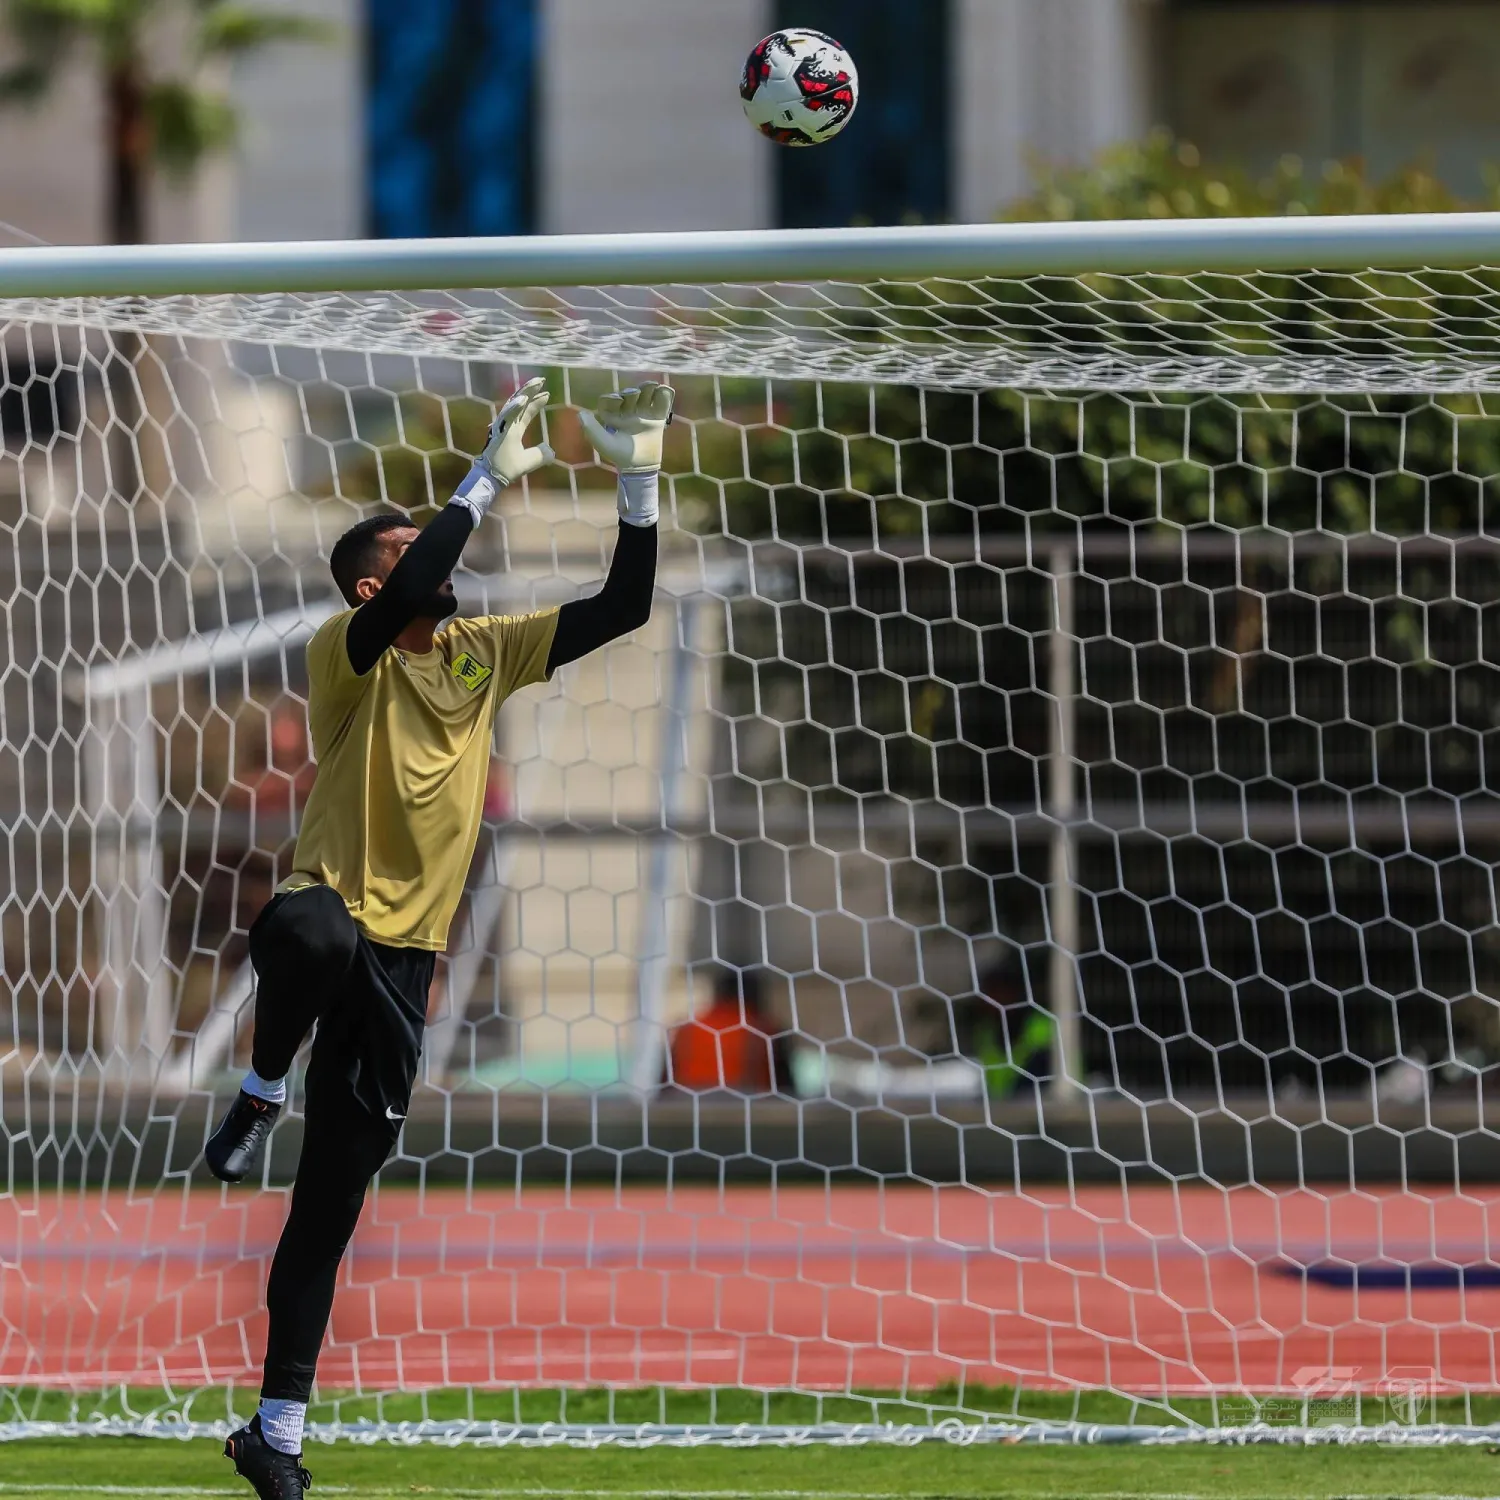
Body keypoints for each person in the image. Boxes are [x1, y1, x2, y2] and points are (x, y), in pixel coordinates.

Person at [209, 377, 674, 1500]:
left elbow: (622, 607)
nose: (442, 564)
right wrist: (479, 479)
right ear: (374, 584)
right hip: (330, 913)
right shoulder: (348, 652)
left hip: (406, 965)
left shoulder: (480, 654)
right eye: (415, 552)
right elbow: (410, 579)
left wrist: (639, 478)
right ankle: (265, 1081)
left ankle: (273, 1432)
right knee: (308, 929)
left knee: (329, 1210)